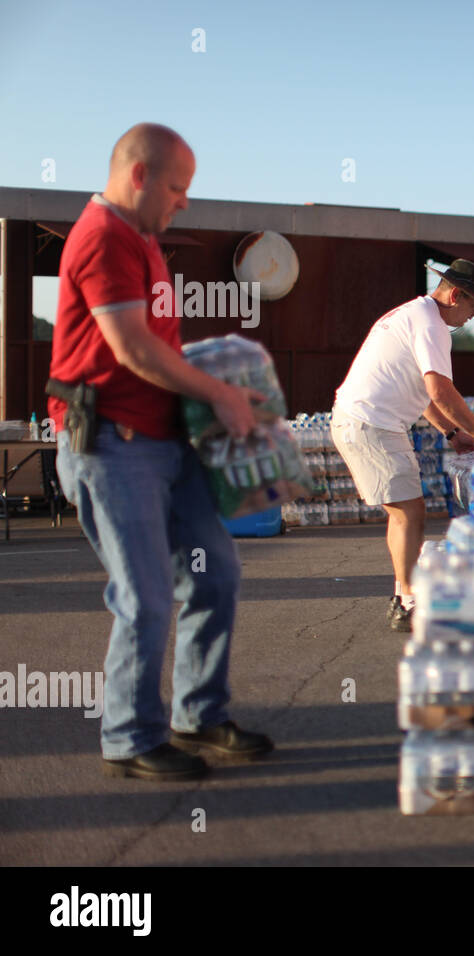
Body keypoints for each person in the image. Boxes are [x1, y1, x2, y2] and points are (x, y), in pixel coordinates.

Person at [50, 123, 273, 781]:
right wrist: (222, 396)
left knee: (214, 574)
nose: (184, 202)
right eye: (178, 188)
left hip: (165, 445)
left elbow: (160, 349)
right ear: (139, 175)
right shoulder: (102, 239)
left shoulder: (143, 241)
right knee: (146, 595)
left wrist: (214, 395)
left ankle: (198, 713)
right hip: (114, 449)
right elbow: (132, 349)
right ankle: (129, 736)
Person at [331, 259, 474, 631]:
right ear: (456, 295)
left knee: (406, 511)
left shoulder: (415, 314)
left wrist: (453, 434)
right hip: (370, 423)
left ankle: (404, 595)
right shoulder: (431, 325)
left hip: (369, 421)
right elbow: (441, 392)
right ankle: (407, 602)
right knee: (409, 512)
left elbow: (422, 393)